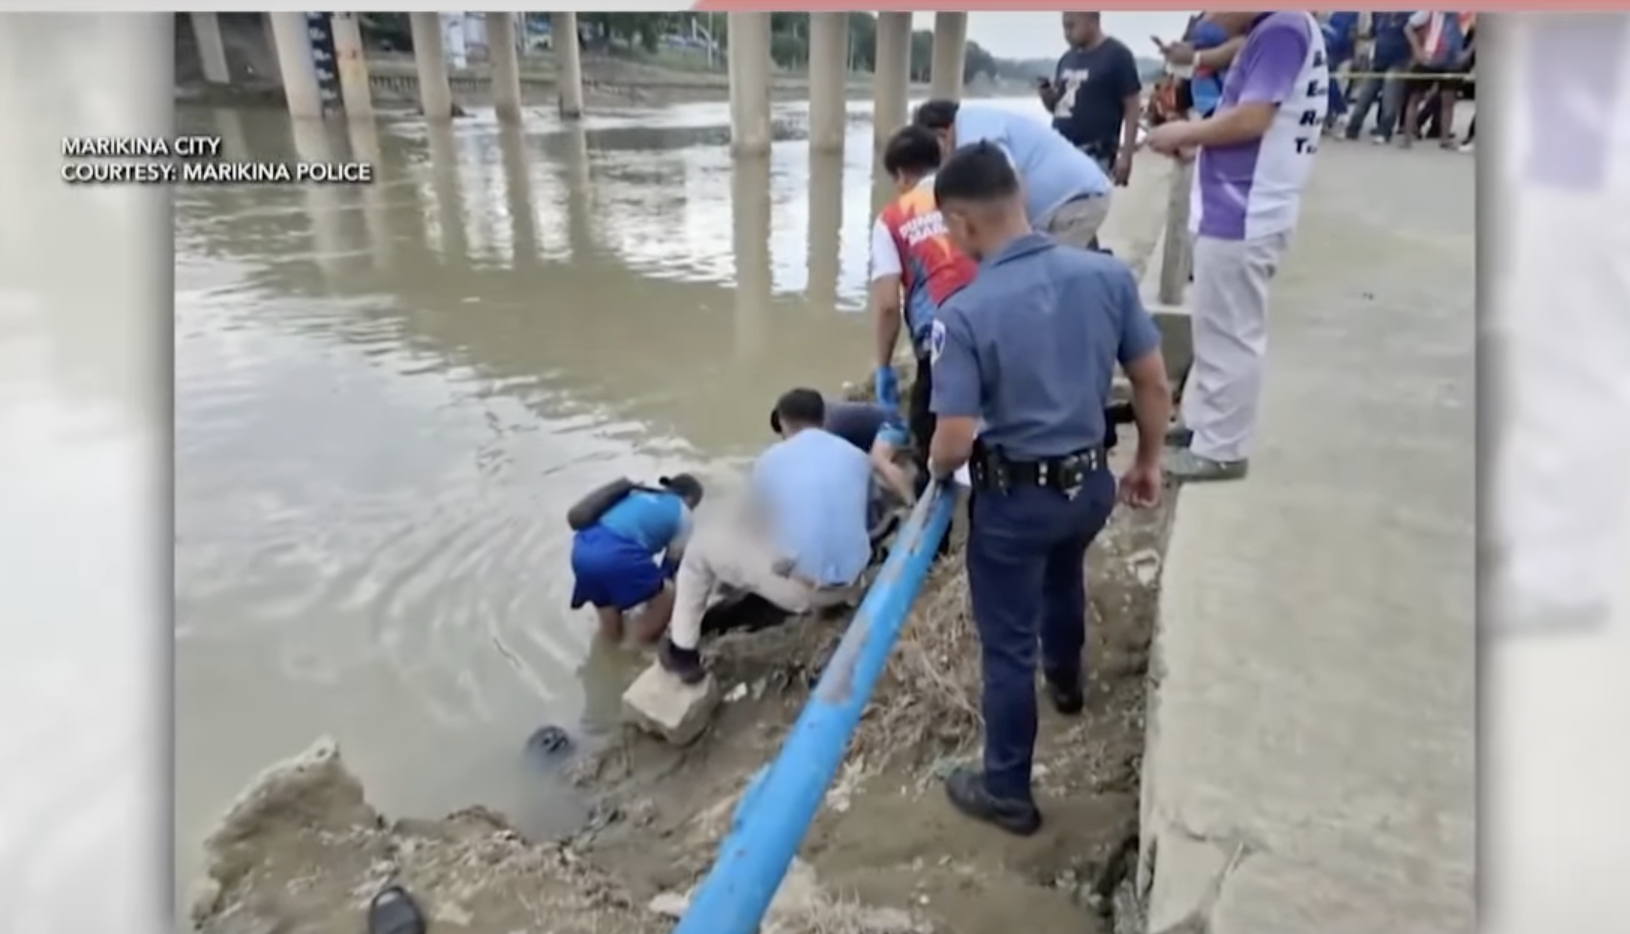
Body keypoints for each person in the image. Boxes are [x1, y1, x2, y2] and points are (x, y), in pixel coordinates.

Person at [924, 142, 1170, 835]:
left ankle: (1007, 789)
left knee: (1007, 649)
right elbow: (1152, 382)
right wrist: (1148, 463)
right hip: (1089, 487)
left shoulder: (963, 313)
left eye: (949, 228)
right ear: (1021, 199)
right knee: (1064, 574)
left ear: (963, 223)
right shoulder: (1106, 276)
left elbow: (952, 440)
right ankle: (1065, 680)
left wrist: (936, 476)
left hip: (1015, 505)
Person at [1144, 11, 1329, 482]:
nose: (1207, 15)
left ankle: (1223, 449)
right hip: (1235, 206)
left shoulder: (1282, 29)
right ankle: (1206, 426)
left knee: (1230, 334)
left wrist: (1185, 132)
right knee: (1214, 327)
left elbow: (1253, 118)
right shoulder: (1276, 28)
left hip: (1246, 211)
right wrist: (1201, 145)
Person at [660, 389, 873, 683]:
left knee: (699, 551)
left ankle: (682, 652)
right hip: (854, 584)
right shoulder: (857, 456)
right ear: (823, 419)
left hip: (808, 593)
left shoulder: (770, 461)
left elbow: (755, 526)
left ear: (782, 422)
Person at [869, 125, 979, 505]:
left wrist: (883, 367)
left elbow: (887, 304)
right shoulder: (970, 197)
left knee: (930, 439)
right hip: (997, 321)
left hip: (941, 338)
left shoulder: (892, 219)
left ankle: (936, 519)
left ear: (901, 174)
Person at [913, 98, 1114, 248]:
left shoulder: (971, 133)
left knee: (1049, 277)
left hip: (1074, 202)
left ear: (942, 134)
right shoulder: (977, 119)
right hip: (1073, 197)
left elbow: (1009, 179)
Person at [568, 473, 704, 644]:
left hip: (582, 551)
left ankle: (606, 649)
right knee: (668, 595)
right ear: (691, 498)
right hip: (617, 555)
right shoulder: (684, 513)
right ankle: (633, 649)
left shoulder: (637, 494)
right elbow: (671, 566)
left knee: (609, 623)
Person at [1038, 12, 1142, 184]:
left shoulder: (1117, 56)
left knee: (1088, 200)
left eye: (1071, 26)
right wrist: (1047, 97)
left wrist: (1126, 155)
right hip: (1060, 151)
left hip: (1095, 154)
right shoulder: (1066, 59)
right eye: (1064, 27)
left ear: (1092, 20)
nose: (1067, 33)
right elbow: (1060, 109)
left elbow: (1132, 107)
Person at [1399, 11, 1471, 150]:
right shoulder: (1430, 10)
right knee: (1414, 98)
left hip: (1452, 62)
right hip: (1428, 59)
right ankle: (1407, 137)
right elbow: (1408, 27)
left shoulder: (1465, 13)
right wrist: (1417, 49)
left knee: (1448, 101)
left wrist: (1468, 52)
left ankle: (1444, 139)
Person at [1346, 12, 1412, 142]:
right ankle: (1352, 130)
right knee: (1364, 96)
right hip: (1378, 61)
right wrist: (1359, 36)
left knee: (1390, 99)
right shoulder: (1380, 16)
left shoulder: (1409, 17)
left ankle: (1384, 132)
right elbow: (1372, 34)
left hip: (1399, 62)